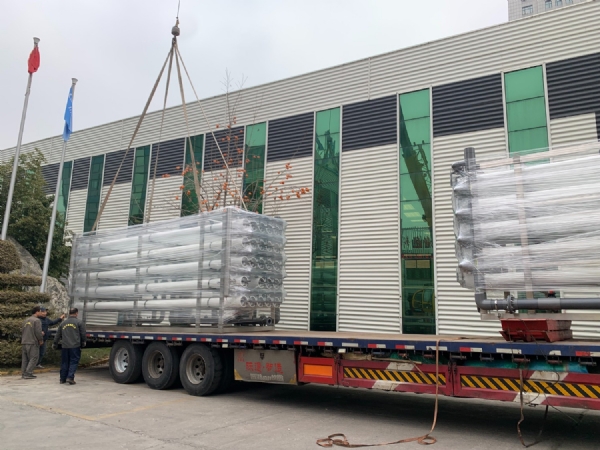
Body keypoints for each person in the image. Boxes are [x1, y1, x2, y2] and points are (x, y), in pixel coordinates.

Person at [53, 307, 86, 385]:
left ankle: (62, 379)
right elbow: (83, 334)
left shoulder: (63, 323)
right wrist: (83, 342)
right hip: (75, 346)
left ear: (69, 313)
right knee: (73, 362)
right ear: (76, 313)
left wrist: (55, 343)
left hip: (65, 346)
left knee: (64, 362)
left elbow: (58, 334)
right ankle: (70, 377)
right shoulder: (79, 322)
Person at [21, 306, 44, 380]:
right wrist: (40, 339)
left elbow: (23, 330)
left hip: (24, 341)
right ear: (37, 312)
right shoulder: (37, 320)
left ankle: (24, 373)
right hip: (32, 342)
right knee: (34, 358)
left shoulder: (26, 320)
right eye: (40, 311)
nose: (41, 313)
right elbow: (38, 332)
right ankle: (28, 373)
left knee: (25, 359)